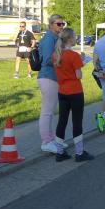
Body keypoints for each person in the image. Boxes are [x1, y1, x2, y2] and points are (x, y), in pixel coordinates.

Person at [53, 28, 94, 162]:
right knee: (77, 121)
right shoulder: (74, 55)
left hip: (62, 91)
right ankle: (79, 152)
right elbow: (78, 75)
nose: (76, 38)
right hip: (75, 91)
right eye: (75, 36)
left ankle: (59, 152)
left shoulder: (56, 55)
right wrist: (82, 63)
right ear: (70, 39)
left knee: (62, 120)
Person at [37, 15, 67, 154]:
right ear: (51, 24)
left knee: (51, 111)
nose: (61, 26)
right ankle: (46, 142)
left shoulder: (55, 38)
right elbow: (48, 60)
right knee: (47, 111)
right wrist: (64, 61)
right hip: (48, 77)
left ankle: (51, 139)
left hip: (52, 77)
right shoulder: (49, 38)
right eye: (58, 24)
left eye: (62, 24)